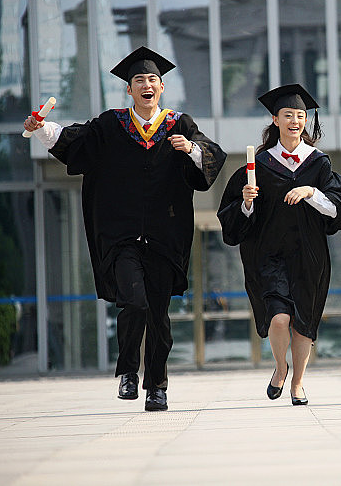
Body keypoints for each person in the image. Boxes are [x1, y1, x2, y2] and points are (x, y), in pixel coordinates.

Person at [23, 46, 226, 411]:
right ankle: (129, 371)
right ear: (129, 90)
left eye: (152, 79)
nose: (146, 85)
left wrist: (191, 148)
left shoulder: (178, 125)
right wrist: (42, 129)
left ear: (161, 87)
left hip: (165, 235)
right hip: (121, 236)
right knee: (134, 301)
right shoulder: (110, 124)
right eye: (138, 80)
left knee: (159, 317)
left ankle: (158, 386)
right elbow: (76, 140)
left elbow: (212, 156)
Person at [216, 84, 341, 406]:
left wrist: (311, 192)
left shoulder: (319, 164)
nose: (295, 120)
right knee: (279, 318)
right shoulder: (260, 165)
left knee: (304, 324)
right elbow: (233, 220)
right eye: (288, 115)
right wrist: (246, 203)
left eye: (300, 115)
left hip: (309, 255)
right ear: (275, 119)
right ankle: (280, 367)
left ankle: (298, 383)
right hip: (269, 254)